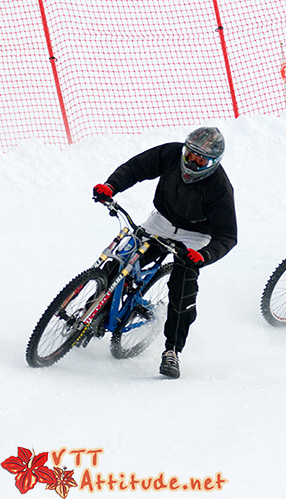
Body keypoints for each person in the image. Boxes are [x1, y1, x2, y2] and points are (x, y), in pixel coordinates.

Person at [92, 127, 237, 377]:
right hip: (161, 222)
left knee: (183, 288)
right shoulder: (170, 154)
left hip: (195, 237)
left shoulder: (220, 188)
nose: (193, 161)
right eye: (190, 154)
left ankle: (172, 351)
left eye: (201, 159)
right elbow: (136, 168)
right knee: (119, 260)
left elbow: (227, 236)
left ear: (213, 163)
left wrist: (204, 255)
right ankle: (94, 308)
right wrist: (111, 186)